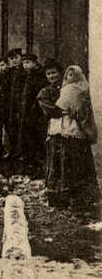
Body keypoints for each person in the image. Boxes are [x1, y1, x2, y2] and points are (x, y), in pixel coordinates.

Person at [41, 65, 100, 208]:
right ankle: (60, 196)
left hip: (72, 128)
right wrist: (61, 111)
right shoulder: (51, 90)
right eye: (69, 75)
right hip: (59, 127)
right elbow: (51, 108)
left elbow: (82, 109)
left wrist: (76, 112)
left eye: (73, 75)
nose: (70, 77)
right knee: (61, 161)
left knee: (71, 162)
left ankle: (76, 197)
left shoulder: (78, 89)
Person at [18, 53, 48, 174]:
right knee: (29, 140)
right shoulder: (27, 75)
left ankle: (40, 168)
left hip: (37, 114)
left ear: (35, 62)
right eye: (24, 63)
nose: (25, 65)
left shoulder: (40, 76)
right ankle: (32, 167)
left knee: (38, 140)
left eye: (28, 62)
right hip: (27, 114)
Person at [5, 48, 26, 158]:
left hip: (21, 103)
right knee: (11, 127)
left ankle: (21, 152)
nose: (14, 60)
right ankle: (12, 150)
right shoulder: (9, 72)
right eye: (12, 58)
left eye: (16, 58)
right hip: (11, 104)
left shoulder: (24, 72)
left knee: (21, 128)